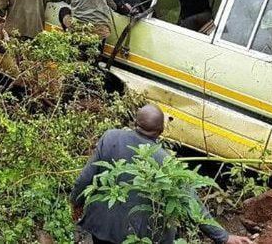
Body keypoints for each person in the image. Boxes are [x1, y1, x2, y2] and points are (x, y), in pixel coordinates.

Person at [70, 104, 253, 244]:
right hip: (140, 236)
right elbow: (191, 203)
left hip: (102, 226)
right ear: (161, 131)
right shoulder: (166, 162)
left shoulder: (110, 137)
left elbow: (85, 178)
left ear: (135, 123)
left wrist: (75, 202)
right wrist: (224, 237)